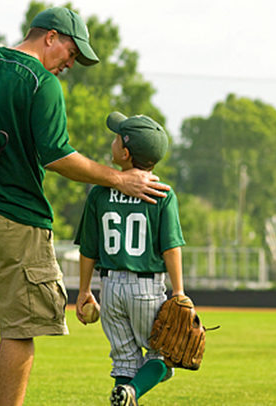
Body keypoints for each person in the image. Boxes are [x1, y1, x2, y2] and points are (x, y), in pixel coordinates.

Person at [0, 7, 171, 406]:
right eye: (71, 52)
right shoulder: (41, 83)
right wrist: (119, 178)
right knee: (20, 327)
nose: (70, 63)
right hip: (18, 218)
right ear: (50, 38)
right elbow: (57, 156)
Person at [74, 111, 185, 406]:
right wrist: (179, 292)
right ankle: (132, 392)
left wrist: (85, 291)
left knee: (124, 361)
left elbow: (88, 249)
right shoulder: (163, 194)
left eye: (115, 138)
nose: (111, 142)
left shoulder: (100, 193)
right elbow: (171, 247)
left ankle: (124, 393)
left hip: (109, 289)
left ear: (124, 153)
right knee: (163, 357)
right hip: (146, 290)